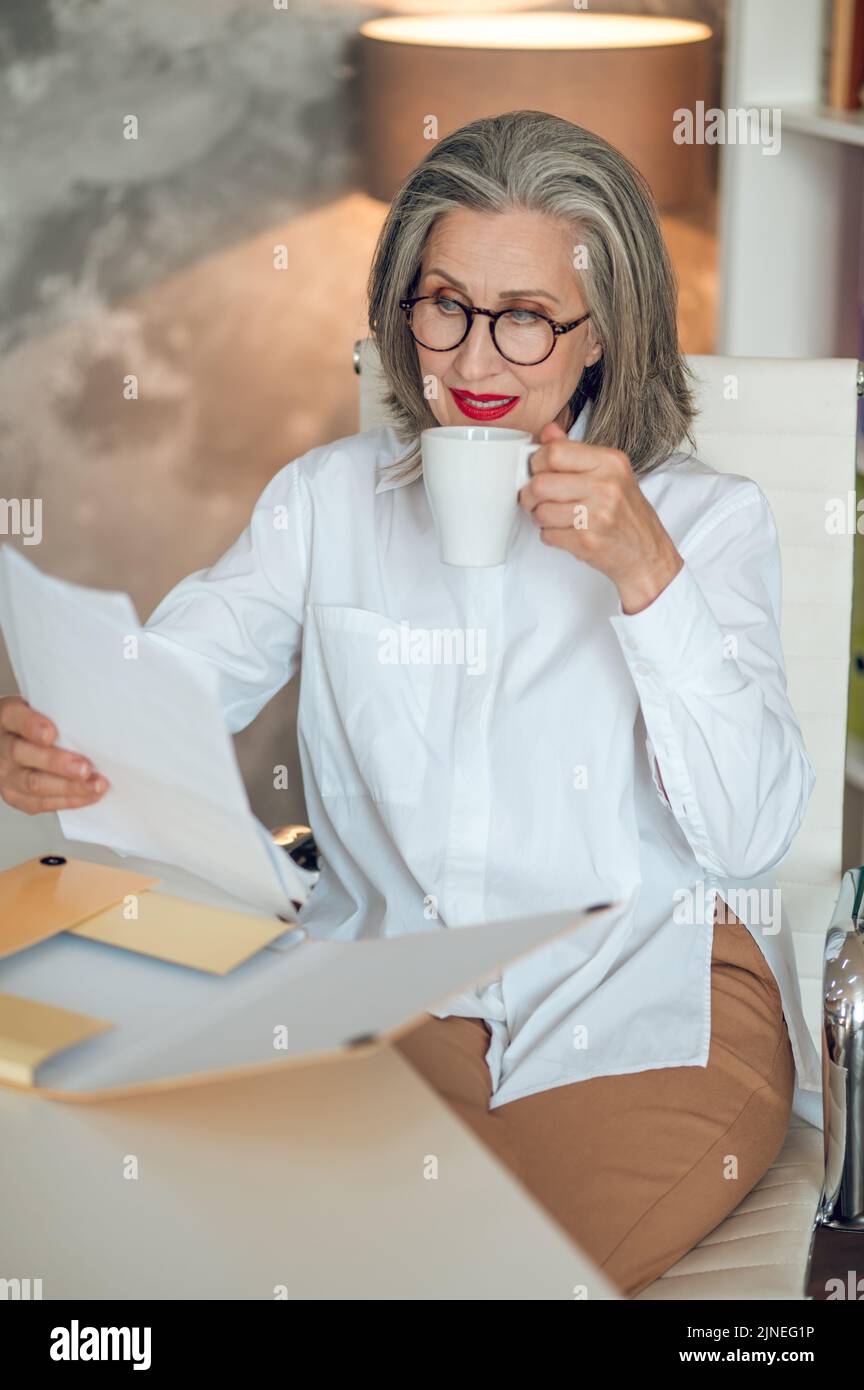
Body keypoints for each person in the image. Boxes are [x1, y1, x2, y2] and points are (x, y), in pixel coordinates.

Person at [0, 111, 821, 1297]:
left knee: (495, 1281)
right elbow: (166, 683)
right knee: (207, 1250)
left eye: (528, 318)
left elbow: (749, 834)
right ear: (403, 307)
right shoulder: (326, 503)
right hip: (384, 993)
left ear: (604, 335)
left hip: (648, 1002)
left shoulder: (703, 522)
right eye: (444, 305)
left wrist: (650, 580)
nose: (476, 363)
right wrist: (57, 739)